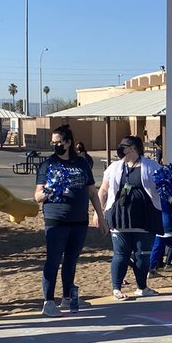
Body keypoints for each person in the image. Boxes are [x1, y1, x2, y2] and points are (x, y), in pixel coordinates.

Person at [34, 125, 106, 317]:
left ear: (68, 142)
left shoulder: (81, 164)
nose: (55, 145)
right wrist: (50, 189)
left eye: (58, 142)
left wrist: (100, 215)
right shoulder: (48, 164)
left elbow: (92, 191)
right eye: (53, 142)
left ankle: (67, 296)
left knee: (71, 260)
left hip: (79, 219)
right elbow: (37, 196)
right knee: (53, 259)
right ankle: (48, 301)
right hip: (56, 219)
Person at [98, 135, 162, 301]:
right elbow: (103, 190)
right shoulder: (114, 168)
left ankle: (142, 287)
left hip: (144, 218)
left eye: (123, 146)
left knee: (142, 255)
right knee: (121, 254)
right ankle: (116, 288)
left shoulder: (152, 167)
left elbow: (164, 189)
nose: (120, 149)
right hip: (120, 218)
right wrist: (97, 212)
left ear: (133, 148)